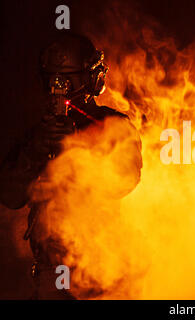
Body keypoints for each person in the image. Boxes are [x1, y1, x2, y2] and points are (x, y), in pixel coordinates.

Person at [0, 33, 142, 299]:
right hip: (52, 275)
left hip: (101, 269)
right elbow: (9, 195)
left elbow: (124, 179)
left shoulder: (112, 126)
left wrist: (77, 147)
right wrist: (36, 150)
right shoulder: (37, 134)